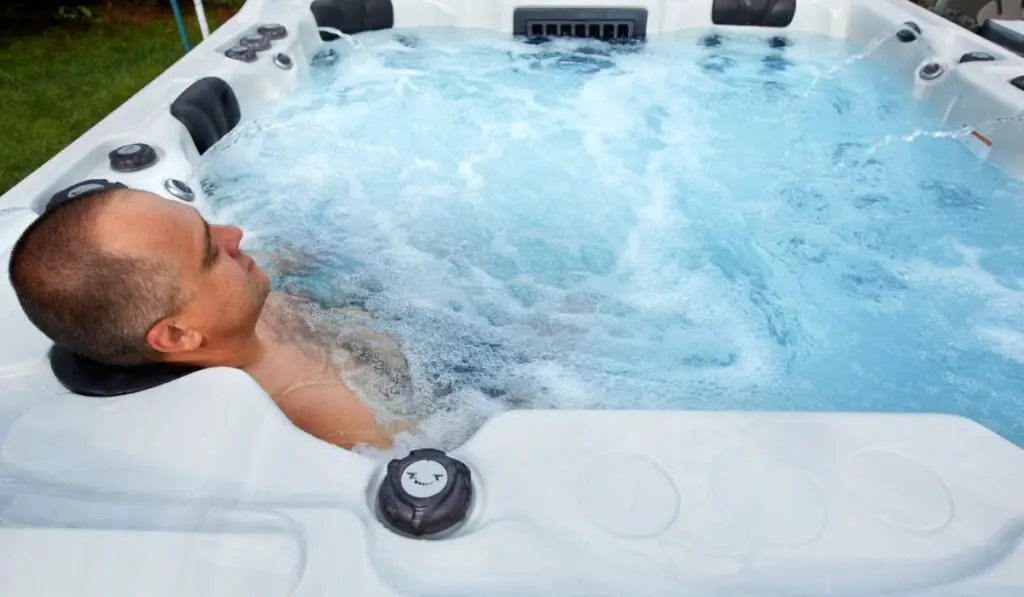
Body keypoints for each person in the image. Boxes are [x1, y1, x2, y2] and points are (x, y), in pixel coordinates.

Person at [7, 184, 414, 450]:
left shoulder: (233, 310)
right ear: (178, 335)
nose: (233, 234)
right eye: (211, 252)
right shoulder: (324, 421)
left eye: (204, 223)